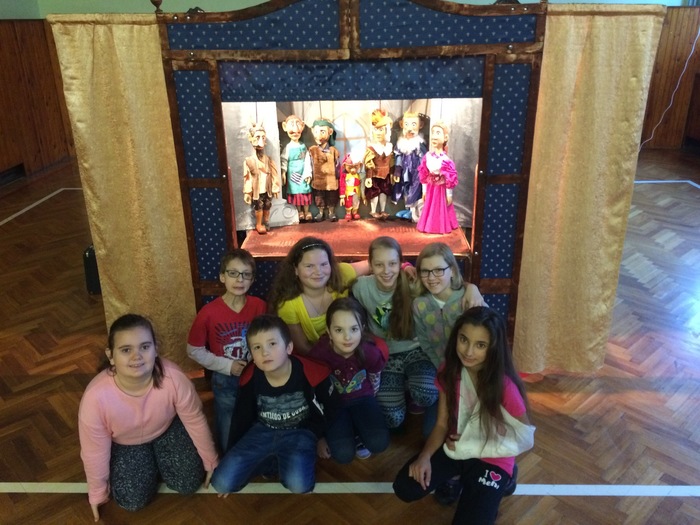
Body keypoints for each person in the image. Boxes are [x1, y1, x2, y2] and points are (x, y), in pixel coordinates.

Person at [393, 307, 535, 525]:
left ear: (493, 348)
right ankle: (458, 477)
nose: (468, 351)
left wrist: (479, 444)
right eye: (463, 340)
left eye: (480, 345)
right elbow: (441, 424)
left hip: (493, 457)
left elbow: (525, 438)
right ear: (456, 338)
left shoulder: (504, 387)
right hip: (456, 446)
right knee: (405, 487)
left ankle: (504, 478)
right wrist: (424, 457)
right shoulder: (449, 371)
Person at [79, 314, 218, 522]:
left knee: (188, 483)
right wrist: (97, 491)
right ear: (111, 355)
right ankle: (150, 460)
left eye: (144, 347)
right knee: (131, 500)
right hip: (125, 443)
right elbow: (94, 452)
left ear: (156, 349)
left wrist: (210, 459)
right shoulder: (95, 398)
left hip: (166, 428)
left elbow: (195, 420)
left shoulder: (174, 378)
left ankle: (157, 457)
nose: (137, 356)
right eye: (126, 350)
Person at [210, 315, 340, 495]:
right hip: (262, 431)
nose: (265, 352)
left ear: (289, 347)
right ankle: (272, 462)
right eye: (257, 347)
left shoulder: (312, 373)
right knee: (222, 483)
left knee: (299, 485)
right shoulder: (250, 378)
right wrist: (232, 459)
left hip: (300, 432)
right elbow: (241, 418)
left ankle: (279, 461)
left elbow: (331, 407)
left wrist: (320, 436)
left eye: (272, 344)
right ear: (252, 355)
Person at [351, 236, 438, 433]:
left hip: (416, 350)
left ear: (400, 263)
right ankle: (403, 388)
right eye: (379, 265)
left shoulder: (413, 283)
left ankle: (412, 388)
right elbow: (337, 277)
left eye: (392, 263)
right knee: (392, 418)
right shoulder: (361, 287)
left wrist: (472, 289)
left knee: (426, 394)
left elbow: (449, 285)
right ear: (370, 265)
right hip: (386, 356)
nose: (386, 271)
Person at [186, 249, 267, 452]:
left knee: (258, 416)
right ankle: (228, 455)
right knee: (227, 421)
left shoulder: (259, 306)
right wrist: (227, 366)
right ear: (222, 276)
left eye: (246, 274)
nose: (239, 279)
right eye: (233, 273)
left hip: (256, 374)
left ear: (252, 279)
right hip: (225, 377)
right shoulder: (208, 313)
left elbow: (267, 338)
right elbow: (194, 349)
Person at [310, 297, 390, 463]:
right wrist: (319, 436)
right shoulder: (319, 354)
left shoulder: (369, 352)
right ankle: (351, 432)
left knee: (379, 442)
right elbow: (314, 394)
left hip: (363, 398)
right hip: (334, 404)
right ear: (329, 331)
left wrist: (372, 399)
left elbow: (375, 376)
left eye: (354, 329)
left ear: (362, 329)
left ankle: (359, 431)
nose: (347, 337)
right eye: (339, 330)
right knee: (342, 455)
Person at [268, 236, 369, 355]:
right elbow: (303, 347)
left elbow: (373, 263)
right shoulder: (288, 304)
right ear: (296, 269)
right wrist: (335, 359)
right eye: (309, 266)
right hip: (317, 355)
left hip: (351, 344)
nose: (318, 272)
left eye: (324, 264)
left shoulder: (341, 274)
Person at [413, 242, 486, 369]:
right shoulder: (419, 305)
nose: (431, 277)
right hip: (440, 368)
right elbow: (425, 343)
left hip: (474, 368)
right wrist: (441, 368)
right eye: (425, 271)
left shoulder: (470, 300)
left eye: (438, 270)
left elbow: (489, 338)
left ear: (452, 271)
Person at [416, 121, 459, 234]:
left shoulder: (446, 160)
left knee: (440, 207)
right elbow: (424, 174)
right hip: (431, 188)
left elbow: (450, 178)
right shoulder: (427, 156)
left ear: (445, 137)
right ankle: (429, 225)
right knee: (430, 206)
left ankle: (439, 226)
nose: (434, 136)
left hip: (441, 189)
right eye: (433, 133)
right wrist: (424, 191)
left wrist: (449, 194)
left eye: (438, 133)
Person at [243, 122, 282, 234]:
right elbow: (247, 178)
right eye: (257, 137)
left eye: (263, 137)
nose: (260, 141)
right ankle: (259, 224)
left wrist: (275, 187)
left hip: (267, 188)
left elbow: (274, 174)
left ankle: (266, 221)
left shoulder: (268, 160)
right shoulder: (249, 161)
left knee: (267, 205)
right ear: (251, 139)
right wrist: (247, 192)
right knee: (258, 206)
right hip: (257, 190)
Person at [392, 111, 427, 222]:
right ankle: (408, 209)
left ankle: (414, 213)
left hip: (416, 172)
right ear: (402, 125)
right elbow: (398, 156)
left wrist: (423, 173)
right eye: (407, 124)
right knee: (405, 189)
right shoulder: (401, 143)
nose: (410, 128)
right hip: (405, 171)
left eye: (413, 124)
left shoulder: (419, 144)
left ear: (420, 125)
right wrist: (397, 170)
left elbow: (423, 159)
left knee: (415, 190)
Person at [280, 115, 313, 222]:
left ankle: (306, 211)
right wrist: (283, 172)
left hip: (303, 171)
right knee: (296, 192)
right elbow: (284, 160)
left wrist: (308, 173)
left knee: (305, 190)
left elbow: (307, 160)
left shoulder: (303, 146)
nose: (295, 132)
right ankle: (298, 211)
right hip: (292, 173)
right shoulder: (288, 147)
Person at [364, 109, 394, 219]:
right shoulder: (372, 148)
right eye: (376, 130)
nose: (378, 133)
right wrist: (368, 177)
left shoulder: (389, 147)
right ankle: (373, 210)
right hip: (375, 174)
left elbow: (391, 161)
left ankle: (383, 210)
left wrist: (392, 173)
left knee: (384, 192)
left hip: (385, 174)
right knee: (375, 192)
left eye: (381, 130)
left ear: (386, 131)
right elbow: (369, 163)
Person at [308, 118, 340, 222]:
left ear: (330, 132)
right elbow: (309, 164)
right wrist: (309, 175)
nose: (319, 135)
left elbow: (337, 164)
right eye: (316, 131)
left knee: (332, 196)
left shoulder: (333, 150)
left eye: (322, 131)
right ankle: (320, 212)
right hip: (318, 178)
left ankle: (331, 212)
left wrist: (338, 176)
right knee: (319, 196)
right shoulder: (312, 150)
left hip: (331, 179)